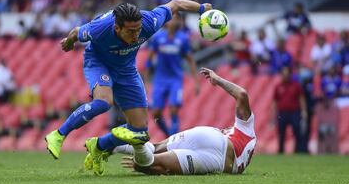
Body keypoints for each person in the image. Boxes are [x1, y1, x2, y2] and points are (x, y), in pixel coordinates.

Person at [44, 0, 212, 176]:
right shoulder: (100, 28)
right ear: (117, 28)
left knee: (139, 131)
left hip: (126, 70)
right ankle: (58, 135)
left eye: (138, 30)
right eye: (131, 31)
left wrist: (201, 8)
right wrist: (69, 43)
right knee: (103, 102)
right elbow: (77, 32)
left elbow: (176, 4)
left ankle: (98, 146)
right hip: (98, 63)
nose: (136, 35)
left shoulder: (149, 22)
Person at [85, 67, 256, 175]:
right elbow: (242, 95)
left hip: (210, 137)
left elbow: (241, 94)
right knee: (150, 164)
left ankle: (104, 145)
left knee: (155, 148)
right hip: (217, 161)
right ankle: (131, 145)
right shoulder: (248, 141)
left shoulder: (245, 130)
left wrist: (217, 80)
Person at [146, 13, 199, 137]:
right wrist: (147, 81)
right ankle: (168, 135)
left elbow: (190, 60)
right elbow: (149, 59)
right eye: (172, 18)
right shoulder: (158, 38)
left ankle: (173, 139)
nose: (174, 21)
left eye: (177, 18)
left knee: (173, 109)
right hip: (160, 80)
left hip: (175, 79)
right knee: (156, 114)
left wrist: (196, 82)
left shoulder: (183, 39)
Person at [273, 66, 307, 153]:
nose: (286, 76)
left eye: (287, 74)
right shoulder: (278, 86)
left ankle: (298, 150)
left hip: (294, 112)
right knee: (281, 132)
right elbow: (275, 102)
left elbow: (301, 99)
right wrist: (273, 115)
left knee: (296, 130)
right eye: (284, 74)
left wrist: (304, 111)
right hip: (282, 112)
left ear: (290, 75)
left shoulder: (296, 85)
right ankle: (281, 150)